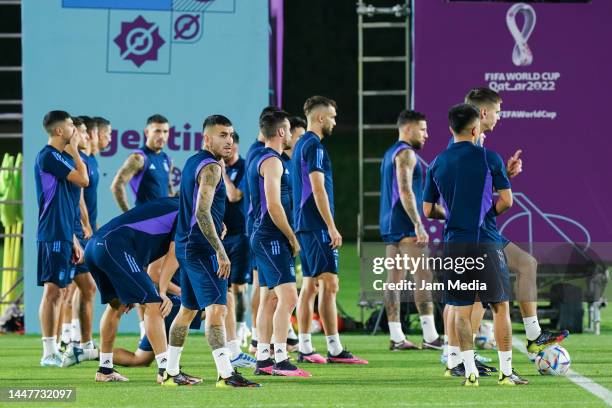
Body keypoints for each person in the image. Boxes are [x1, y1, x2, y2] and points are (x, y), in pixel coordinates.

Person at [423, 103, 527, 386]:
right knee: (500, 307)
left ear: (450, 129)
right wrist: (485, 214)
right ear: (474, 128)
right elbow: (507, 201)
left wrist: (453, 214)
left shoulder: (436, 163)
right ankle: (506, 373)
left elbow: (428, 209)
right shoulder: (489, 158)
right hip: (486, 241)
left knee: (461, 308)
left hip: (455, 243)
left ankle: (468, 371)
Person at [163, 114, 260, 388]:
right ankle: (226, 374)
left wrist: (220, 224)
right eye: (222, 135)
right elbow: (201, 211)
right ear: (207, 138)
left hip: (186, 245)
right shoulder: (213, 168)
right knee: (218, 310)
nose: (228, 140)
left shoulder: (195, 161)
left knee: (187, 310)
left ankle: (171, 372)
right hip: (202, 249)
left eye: (230, 135)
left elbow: (202, 210)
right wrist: (220, 249)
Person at [292, 96, 367, 364]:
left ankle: (305, 346)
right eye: (333, 117)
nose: (335, 121)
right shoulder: (314, 146)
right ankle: (333, 349)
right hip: (315, 225)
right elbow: (317, 187)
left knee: (311, 286)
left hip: (304, 224)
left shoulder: (300, 144)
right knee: (329, 283)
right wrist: (331, 226)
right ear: (321, 118)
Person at [250, 110, 310, 377]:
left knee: (270, 298)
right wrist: (292, 236)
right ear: (282, 132)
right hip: (271, 236)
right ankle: (281, 358)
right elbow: (274, 205)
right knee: (289, 297)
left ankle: (263, 360)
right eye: (290, 131)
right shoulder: (273, 162)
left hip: (263, 236)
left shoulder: (259, 158)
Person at [379, 110, 442, 351]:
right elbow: (406, 191)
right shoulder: (406, 153)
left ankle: (396, 336)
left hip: (389, 222)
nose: (426, 135)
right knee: (424, 276)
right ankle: (430, 335)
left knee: (393, 281)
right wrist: (418, 223)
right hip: (404, 222)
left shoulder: (390, 153)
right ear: (407, 129)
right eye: (422, 129)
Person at [35, 111, 88, 366]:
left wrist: (74, 238)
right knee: (53, 291)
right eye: (70, 125)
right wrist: (76, 150)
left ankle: (53, 348)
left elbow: (69, 200)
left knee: (60, 291)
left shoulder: (59, 157)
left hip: (64, 233)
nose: (74, 129)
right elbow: (83, 179)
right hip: (52, 233)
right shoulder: (49, 156)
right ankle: (48, 352)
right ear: (59, 131)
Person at [220, 132, 257, 367]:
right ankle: (230, 333)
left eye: (232, 145)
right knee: (225, 288)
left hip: (241, 235)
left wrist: (222, 171)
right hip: (222, 237)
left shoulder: (244, 167)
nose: (229, 148)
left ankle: (243, 328)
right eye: (226, 145)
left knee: (239, 286)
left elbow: (234, 195)